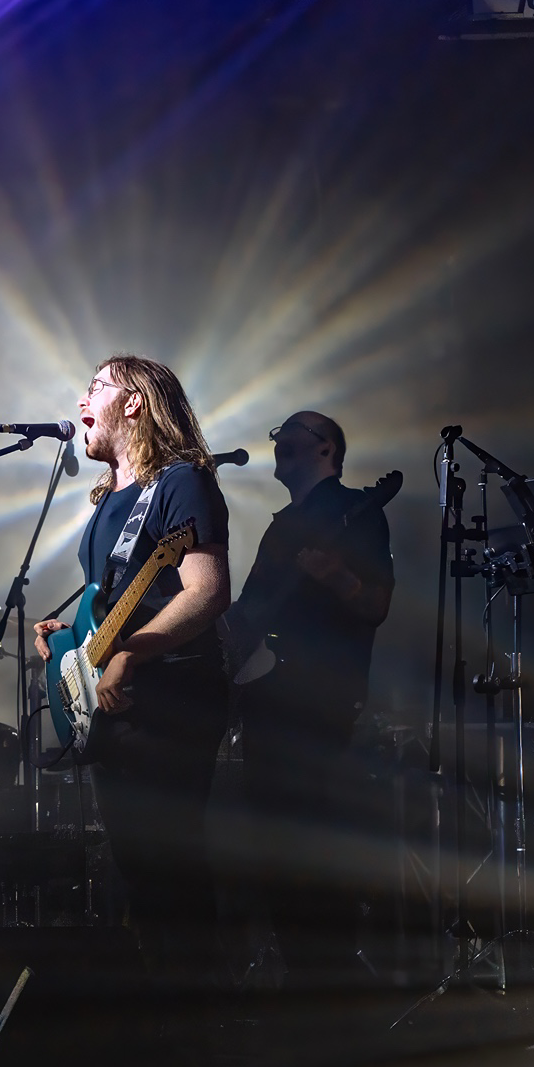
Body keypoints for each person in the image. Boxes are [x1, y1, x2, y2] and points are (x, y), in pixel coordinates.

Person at [35, 356, 233, 983]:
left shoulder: (182, 483)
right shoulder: (107, 503)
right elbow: (113, 603)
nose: (81, 400)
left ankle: (197, 1008)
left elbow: (207, 591)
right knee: (137, 869)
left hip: (172, 694)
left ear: (135, 403)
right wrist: (72, 639)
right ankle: (158, 1005)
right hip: (114, 701)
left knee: (170, 864)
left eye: (96, 386)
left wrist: (131, 653)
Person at [225, 411, 392, 989]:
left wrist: (338, 577)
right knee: (274, 841)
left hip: (319, 697)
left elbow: (377, 605)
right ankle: (306, 976)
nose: (279, 440)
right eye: (278, 435)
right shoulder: (283, 525)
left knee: (308, 836)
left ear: (327, 449)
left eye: (294, 433)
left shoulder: (357, 511)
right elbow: (248, 611)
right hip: (267, 692)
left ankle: (331, 976)